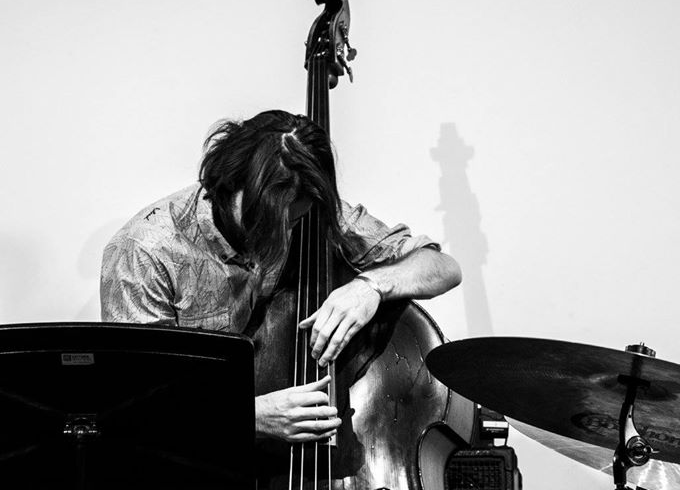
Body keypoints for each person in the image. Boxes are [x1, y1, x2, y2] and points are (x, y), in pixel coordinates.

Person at [100, 109, 461, 443]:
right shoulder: (144, 252)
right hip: (193, 458)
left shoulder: (310, 210)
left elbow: (443, 269)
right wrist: (252, 416)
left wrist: (370, 287)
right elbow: (138, 408)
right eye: (263, 220)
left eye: (292, 221)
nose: (279, 237)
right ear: (227, 181)